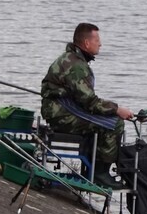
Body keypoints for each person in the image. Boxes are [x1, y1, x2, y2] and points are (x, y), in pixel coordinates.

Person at [41, 23, 134, 190]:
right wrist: (117, 109)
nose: (100, 44)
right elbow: (90, 102)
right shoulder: (76, 66)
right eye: (97, 39)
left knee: (107, 119)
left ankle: (93, 167)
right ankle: (100, 174)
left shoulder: (72, 59)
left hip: (60, 109)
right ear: (86, 43)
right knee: (114, 124)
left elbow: (85, 100)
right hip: (61, 114)